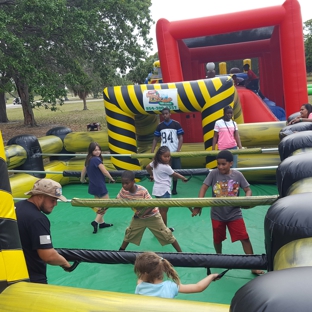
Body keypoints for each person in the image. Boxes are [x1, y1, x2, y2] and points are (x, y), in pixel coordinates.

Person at [192, 150, 264, 275]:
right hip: (217, 214)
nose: (220, 167)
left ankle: (253, 265)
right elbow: (204, 187)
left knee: (245, 238)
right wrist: (199, 205)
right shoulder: (214, 174)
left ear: (231, 163)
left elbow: (248, 190)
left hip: (234, 213)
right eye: (218, 164)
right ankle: (219, 257)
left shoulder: (238, 175)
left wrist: (247, 199)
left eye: (223, 164)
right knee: (217, 239)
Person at [15, 178, 72, 283]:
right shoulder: (37, 219)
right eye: (52, 200)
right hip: (31, 278)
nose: (55, 204)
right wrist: (65, 263)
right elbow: (48, 256)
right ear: (40, 196)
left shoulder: (17, 206)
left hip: (11, 274)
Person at [117, 170, 182, 252]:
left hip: (153, 216)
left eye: (127, 183)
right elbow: (117, 200)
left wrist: (141, 213)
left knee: (166, 234)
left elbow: (152, 204)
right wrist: (104, 208)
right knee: (130, 233)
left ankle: (181, 253)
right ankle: (120, 252)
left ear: (133, 181)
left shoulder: (142, 190)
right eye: (122, 183)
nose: (124, 185)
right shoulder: (123, 191)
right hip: (139, 218)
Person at [134, 252, 219, 299]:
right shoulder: (170, 286)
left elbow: (141, 279)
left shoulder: (140, 286)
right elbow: (198, 287)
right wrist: (211, 276)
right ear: (162, 269)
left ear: (143, 273)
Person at [146, 146, 188, 231]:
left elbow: (147, 167)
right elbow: (174, 174)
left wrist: (152, 175)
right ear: (159, 156)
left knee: (160, 211)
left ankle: (160, 227)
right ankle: (164, 229)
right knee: (164, 211)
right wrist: (183, 178)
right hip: (164, 191)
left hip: (157, 190)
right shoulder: (166, 167)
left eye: (168, 156)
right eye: (165, 156)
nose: (167, 158)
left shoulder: (154, 163)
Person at [80, 142, 115, 234]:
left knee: (98, 206)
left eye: (99, 149)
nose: (98, 151)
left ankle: (101, 223)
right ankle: (95, 222)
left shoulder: (88, 159)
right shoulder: (96, 160)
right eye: (95, 150)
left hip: (93, 185)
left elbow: (83, 171)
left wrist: (82, 180)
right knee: (107, 204)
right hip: (100, 186)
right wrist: (111, 178)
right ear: (91, 151)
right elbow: (105, 172)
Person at [151, 107, 184, 195]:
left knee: (175, 170)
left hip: (174, 150)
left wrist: (178, 149)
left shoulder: (176, 124)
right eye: (163, 114)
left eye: (166, 113)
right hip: (164, 152)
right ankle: (166, 187)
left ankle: (174, 188)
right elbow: (155, 139)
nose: (165, 115)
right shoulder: (160, 126)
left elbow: (181, 137)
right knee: (165, 170)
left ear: (170, 114)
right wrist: (152, 151)